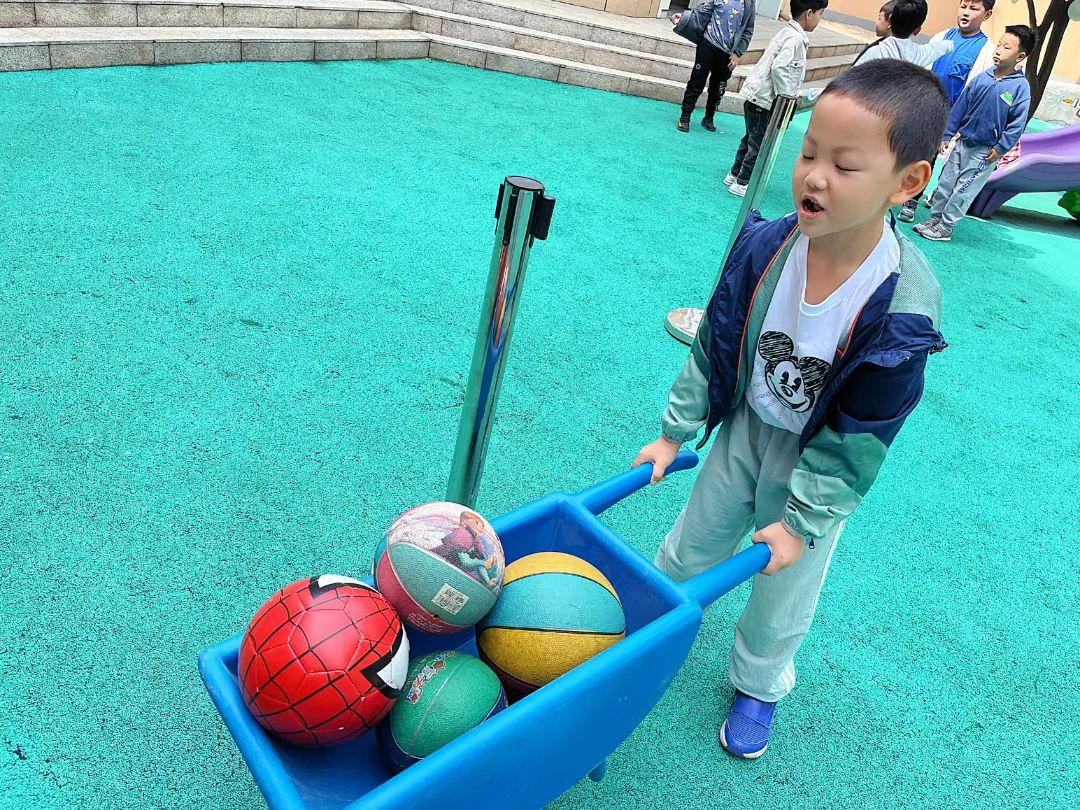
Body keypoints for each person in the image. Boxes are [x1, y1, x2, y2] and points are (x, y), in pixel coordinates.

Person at [633, 59, 949, 760]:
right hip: (747, 427)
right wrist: (672, 432)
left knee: (784, 583)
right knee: (692, 543)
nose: (812, 175)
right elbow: (716, 340)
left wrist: (801, 521)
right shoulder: (767, 244)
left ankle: (760, 682)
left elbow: (861, 435)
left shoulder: (901, 310)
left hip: (814, 463)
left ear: (907, 183)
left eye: (844, 165)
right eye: (809, 152)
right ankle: (651, 626)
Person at [915, 25, 1033, 242]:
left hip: (985, 152)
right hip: (963, 143)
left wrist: (1000, 149)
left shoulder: (1020, 88)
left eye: (1006, 48)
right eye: (999, 44)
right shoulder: (982, 78)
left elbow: (1017, 124)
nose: (998, 50)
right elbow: (961, 107)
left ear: (1021, 56)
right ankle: (936, 218)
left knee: (963, 190)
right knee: (945, 183)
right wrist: (948, 134)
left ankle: (946, 227)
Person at [899, 0, 996, 221]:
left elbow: (978, 89)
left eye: (974, 9)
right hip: (923, 105)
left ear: (987, 15)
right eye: (963, 6)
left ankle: (911, 200)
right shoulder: (941, 37)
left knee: (928, 157)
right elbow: (922, 68)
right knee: (904, 151)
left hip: (948, 117)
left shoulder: (986, 51)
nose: (966, 12)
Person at [725, 0, 829, 198]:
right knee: (759, 143)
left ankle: (734, 174)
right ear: (809, 13)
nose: (819, 19)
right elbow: (780, 67)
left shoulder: (787, 32)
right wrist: (786, 95)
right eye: (820, 14)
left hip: (756, 96)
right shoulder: (795, 39)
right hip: (764, 100)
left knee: (750, 138)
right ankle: (742, 182)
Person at [672, 0, 758, 133]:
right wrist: (683, 19)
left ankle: (708, 118)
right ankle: (685, 117)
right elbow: (701, 12)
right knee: (697, 82)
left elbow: (748, 29)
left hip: (727, 54)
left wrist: (738, 53)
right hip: (708, 45)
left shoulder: (749, 3)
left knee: (717, 87)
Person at [854, 0, 954, 68]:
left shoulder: (874, 53)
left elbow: (848, 83)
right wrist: (951, 44)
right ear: (917, 30)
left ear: (890, 19)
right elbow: (939, 48)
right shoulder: (920, 54)